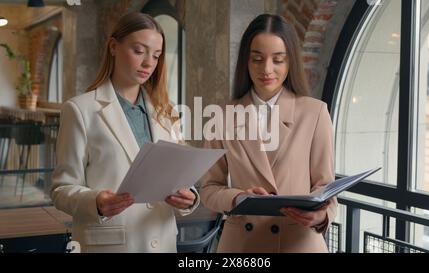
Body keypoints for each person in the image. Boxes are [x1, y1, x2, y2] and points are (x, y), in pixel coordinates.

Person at [51, 12, 199, 253]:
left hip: (162, 242)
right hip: (111, 245)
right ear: (113, 46)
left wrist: (189, 198)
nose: (149, 63)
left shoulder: (167, 112)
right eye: (139, 51)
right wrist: (96, 202)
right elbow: (61, 190)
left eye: (156, 55)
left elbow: (180, 177)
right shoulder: (80, 110)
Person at [200, 14, 336, 253]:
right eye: (257, 59)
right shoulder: (221, 116)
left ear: (290, 62)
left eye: (278, 60)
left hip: (300, 243)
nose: (267, 69)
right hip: (242, 245)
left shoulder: (315, 113)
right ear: (246, 61)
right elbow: (209, 188)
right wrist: (238, 198)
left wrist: (321, 215)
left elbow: (326, 188)